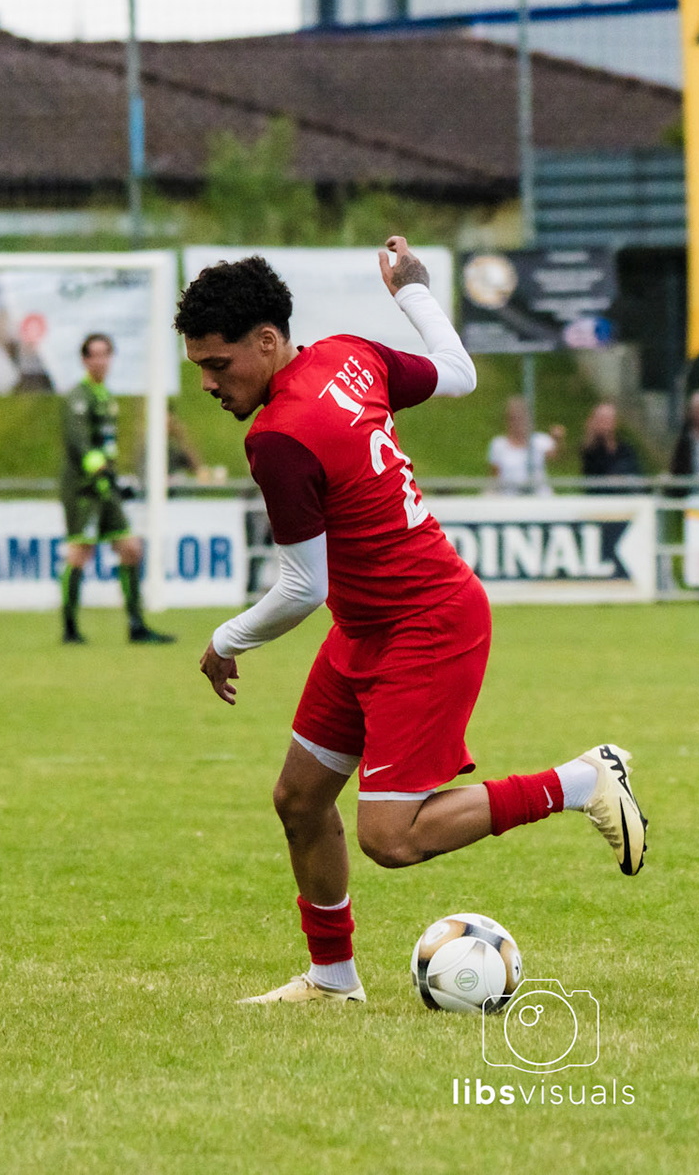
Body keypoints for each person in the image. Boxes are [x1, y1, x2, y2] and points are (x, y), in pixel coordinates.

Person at [178, 237, 648, 1005]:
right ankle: (332, 980)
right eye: (198, 366)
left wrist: (226, 640)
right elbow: (459, 373)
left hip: (427, 622)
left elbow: (302, 586)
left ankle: (581, 781)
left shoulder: (278, 437)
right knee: (300, 799)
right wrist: (415, 292)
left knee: (390, 838)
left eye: (218, 364)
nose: (206, 382)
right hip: (368, 625)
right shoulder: (348, 356)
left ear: (266, 342)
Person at [58, 333, 174, 646]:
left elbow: (105, 446)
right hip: (83, 488)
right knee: (80, 552)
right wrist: (100, 471)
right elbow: (79, 442)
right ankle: (69, 628)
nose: (101, 361)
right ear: (84, 360)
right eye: (95, 355)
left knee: (131, 548)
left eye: (105, 354)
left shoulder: (105, 396)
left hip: (105, 486)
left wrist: (114, 479)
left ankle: (136, 626)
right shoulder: (79, 396)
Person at [487, 396, 563, 495]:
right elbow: (494, 477)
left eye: (520, 418)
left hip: (539, 496)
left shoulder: (540, 441)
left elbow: (556, 457)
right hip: (510, 497)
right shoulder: (498, 445)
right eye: (513, 419)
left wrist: (557, 440)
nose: (517, 423)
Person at [580, 401, 642, 479]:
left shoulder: (625, 448)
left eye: (608, 419)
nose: (605, 423)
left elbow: (634, 469)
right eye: (601, 419)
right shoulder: (590, 450)